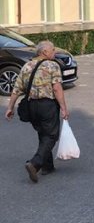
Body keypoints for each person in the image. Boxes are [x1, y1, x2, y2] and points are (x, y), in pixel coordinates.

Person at [5, 41, 70, 182]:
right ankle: (34, 163)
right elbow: (57, 88)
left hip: (31, 106)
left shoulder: (27, 65)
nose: (54, 52)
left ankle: (47, 166)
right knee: (51, 136)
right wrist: (64, 107)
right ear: (44, 52)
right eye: (53, 50)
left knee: (43, 134)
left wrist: (10, 107)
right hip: (47, 105)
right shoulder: (52, 65)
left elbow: (17, 89)